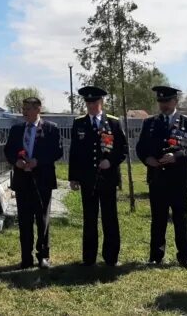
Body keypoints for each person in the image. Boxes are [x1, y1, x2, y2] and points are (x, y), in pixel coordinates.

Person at [136, 85, 187, 268]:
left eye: (167, 101)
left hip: (178, 179)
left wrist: (177, 157)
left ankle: (185, 257)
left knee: (181, 218)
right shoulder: (149, 123)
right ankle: (156, 256)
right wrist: (147, 158)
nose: (163, 105)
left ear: (175, 101)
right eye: (161, 101)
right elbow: (140, 148)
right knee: (158, 218)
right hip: (157, 177)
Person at [68, 86, 128, 267]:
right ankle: (89, 258)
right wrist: (73, 177)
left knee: (110, 217)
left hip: (108, 177)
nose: (91, 105)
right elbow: (74, 152)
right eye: (88, 102)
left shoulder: (113, 123)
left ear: (101, 102)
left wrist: (110, 162)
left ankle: (111, 257)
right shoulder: (79, 123)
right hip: (87, 179)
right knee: (89, 218)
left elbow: (123, 149)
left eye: (94, 102)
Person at [4, 97, 63, 269]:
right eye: (23, 109)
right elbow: (8, 150)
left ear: (38, 109)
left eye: (28, 109)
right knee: (24, 220)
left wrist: (38, 161)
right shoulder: (16, 129)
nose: (24, 112)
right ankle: (26, 257)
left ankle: (43, 256)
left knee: (42, 219)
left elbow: (57, 152)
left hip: (42, 180)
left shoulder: (51, 128)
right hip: (22, 181)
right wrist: (16, 161)